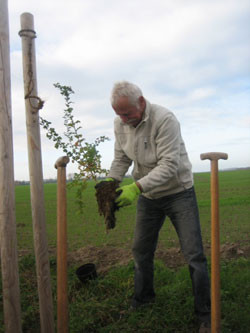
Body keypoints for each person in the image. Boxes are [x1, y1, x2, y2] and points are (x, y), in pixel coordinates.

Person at [104, 81, 211, 332]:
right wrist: (111, 180)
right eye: (118, 114)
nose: (123, 119)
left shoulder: (165, 120)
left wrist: (135, 188)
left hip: (178, 193)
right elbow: (121, 158)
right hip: (149, 197)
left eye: (127, 113)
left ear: (141, 102)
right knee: (141, 251)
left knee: (194, 254)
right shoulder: (120, 123)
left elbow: (169, 166)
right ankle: (143, 301)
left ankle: (205, 313)